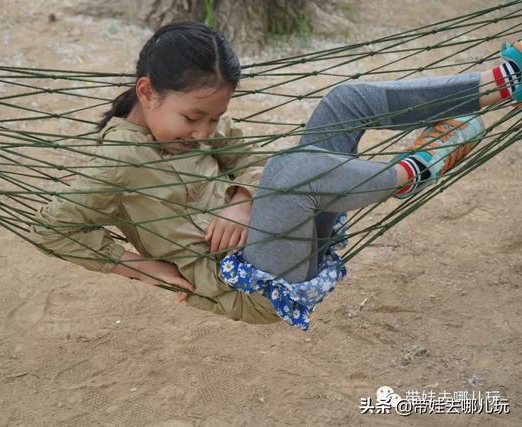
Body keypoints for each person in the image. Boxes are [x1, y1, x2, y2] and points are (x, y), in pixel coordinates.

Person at [29, 22, 522, 329]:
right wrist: (136, 266)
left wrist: (243, 196)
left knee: (345, 101)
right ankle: (410, 173)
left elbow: (243, 157)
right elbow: (52, 227)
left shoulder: (196, 125)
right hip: (253, 283)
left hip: (287, 230)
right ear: (147, 92)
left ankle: (497, 85)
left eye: (213, 118)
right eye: (192, 119)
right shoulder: (119, 160)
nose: (203, 133)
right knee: (290, 171)